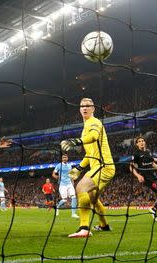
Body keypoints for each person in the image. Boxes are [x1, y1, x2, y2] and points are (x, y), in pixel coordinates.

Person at [61, 97, 116, 238]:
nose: (85, 108)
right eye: (82, 106)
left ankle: (84, 228)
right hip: (98, 167)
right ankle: (104, 225)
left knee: (80, 188)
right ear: (79, 109)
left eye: (88, 106)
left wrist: (77, 141)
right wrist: (79, 168)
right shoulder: (84, 128)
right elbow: (89, 154)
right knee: (93, 198)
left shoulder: (94, 122)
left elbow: (94, 136)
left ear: (93, 109)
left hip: (104, 166)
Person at [130, 136, 157, 221]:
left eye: (143, 140)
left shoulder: (148, 152)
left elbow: (152, 163)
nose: (142, 142)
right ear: (137, 144)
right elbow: (131, 167)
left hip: (154, 176)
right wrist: (138, 176)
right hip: (147, 179)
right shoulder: (136, 154)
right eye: (139, 141)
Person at [52, 154, 79, 218]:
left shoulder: (70, 165)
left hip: (69, 183)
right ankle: (57, 207)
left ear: (67, 158)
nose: (64, 158)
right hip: (62, 184)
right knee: (64, 200)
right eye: (63, 157)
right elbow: (53, 174)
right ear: (62, 158)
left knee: (74, 197)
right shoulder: (59, 165)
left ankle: (73, 214)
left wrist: (73, 181)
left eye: (65, 157)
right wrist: (57, 177)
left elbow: (71, 175)